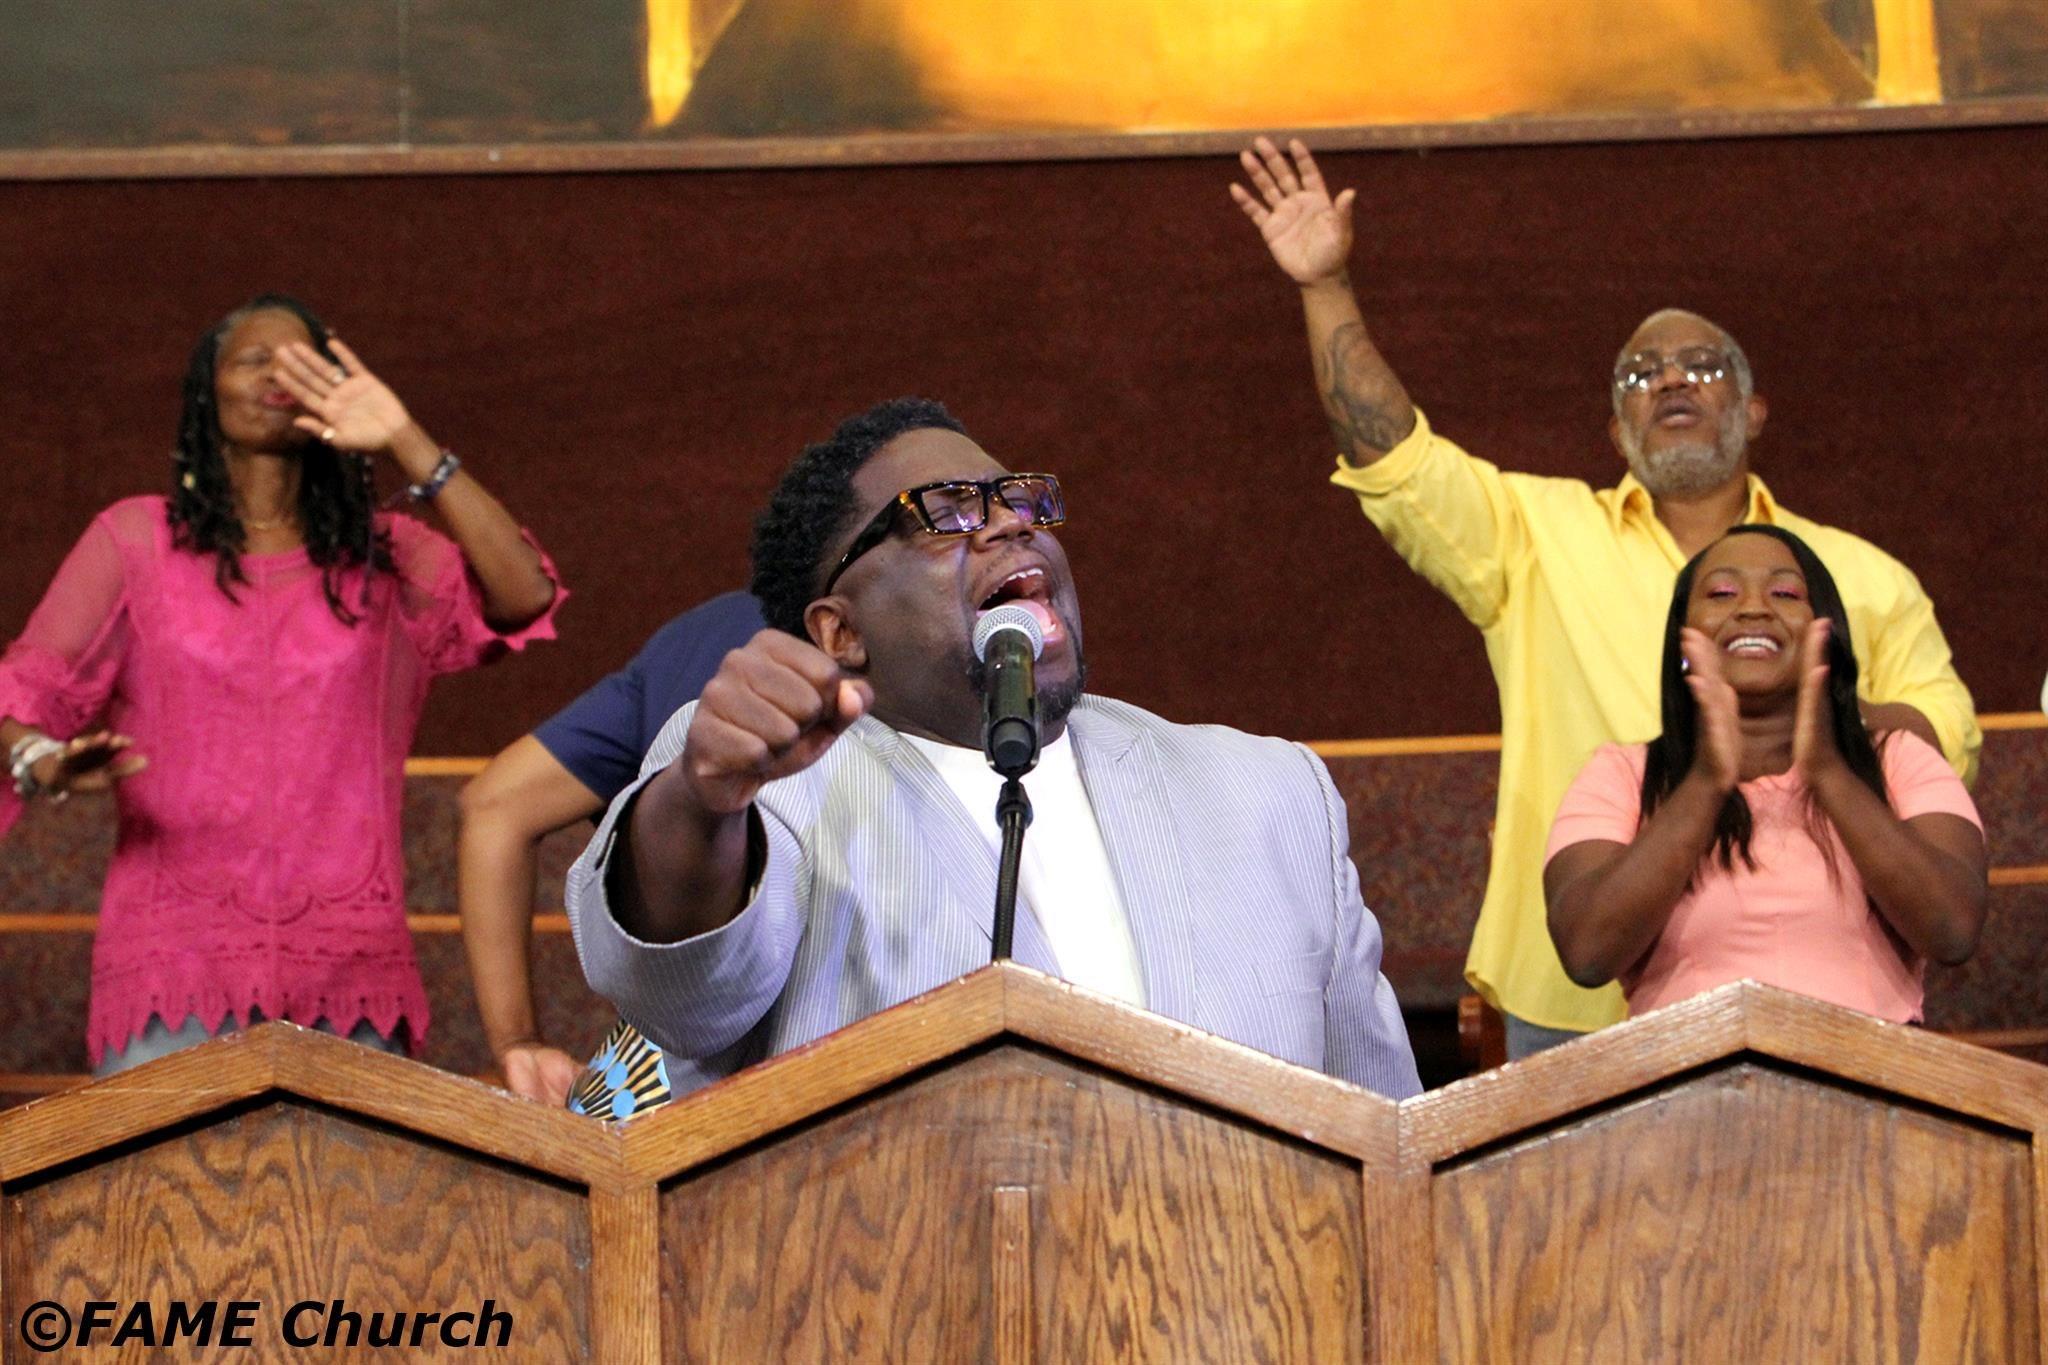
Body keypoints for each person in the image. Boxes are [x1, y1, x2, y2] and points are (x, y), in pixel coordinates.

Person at [1231, 137, 1979, 1057]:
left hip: (1831, 987)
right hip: (1576, 988)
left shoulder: (1859, 576)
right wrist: (1325, 286)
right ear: (1617, 430)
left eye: (1702, 365)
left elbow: (1947, 734)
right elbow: (1393, 458)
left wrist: (1794, 712)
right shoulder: (1535, 535)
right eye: (1640, 374)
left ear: (1753, 413)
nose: (1669, 378)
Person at [566, 398, 1423, 1099]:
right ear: (840, 630)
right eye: (946, 513)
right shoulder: (776, 791)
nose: (1012, 523)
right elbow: (682, 996)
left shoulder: (1266, 792)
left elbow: (1384, 1133)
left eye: (1022, 500)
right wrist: (701, 800)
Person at [0, 295, 561, 1075]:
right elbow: (19, 693)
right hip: (172, 970)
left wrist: (404, 437)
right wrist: (42, 761)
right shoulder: (134, 540)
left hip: (350, 970)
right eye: (253, 358)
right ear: (208, 390)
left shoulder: (388, 553)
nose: (276, 375)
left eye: (300, 361)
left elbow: (524, 593)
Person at [1544, 526, 1985, 1020]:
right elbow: (1587, 952)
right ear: (1682, 641)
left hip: (1868, 1066)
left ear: (1827, 632)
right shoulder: (1621, 775)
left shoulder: (1900, 759)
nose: (1753, 608)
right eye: (1722, 593)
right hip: (1688, 1069)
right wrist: (1705, 783)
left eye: (1785, 593)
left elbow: (1953, 930)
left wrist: (1829, 773)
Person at [456, 589, 764, 1110]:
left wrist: (517, 1044)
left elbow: (494, 805)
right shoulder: (887, 640)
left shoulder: (707, 631)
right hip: (817, 1089)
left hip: (640, 1093)